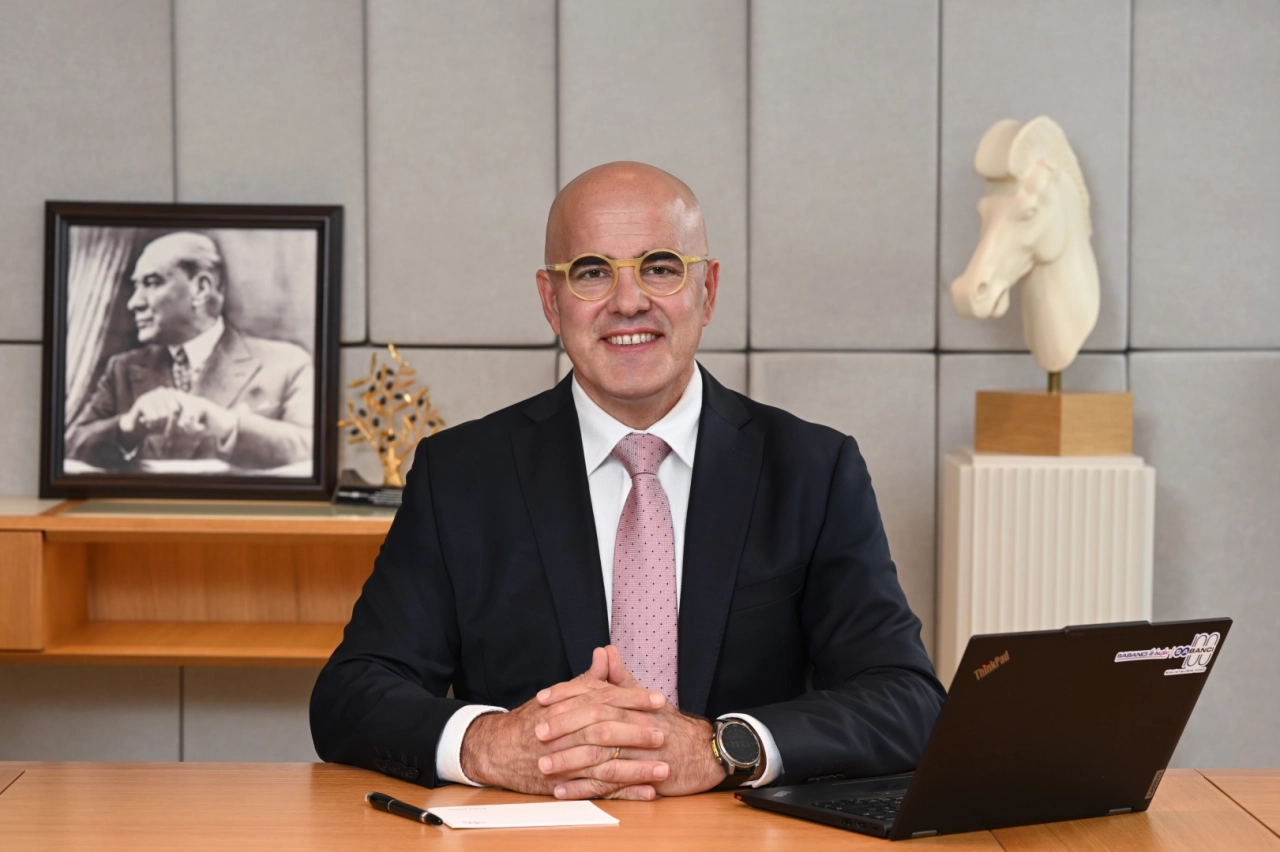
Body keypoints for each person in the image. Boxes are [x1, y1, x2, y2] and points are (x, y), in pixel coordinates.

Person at [310, 162, 945, 800]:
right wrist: (489, 744)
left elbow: (907, 699)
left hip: (736, 834)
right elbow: (351, 694)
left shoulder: (813, 469)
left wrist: (724, 747)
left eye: (660, 267)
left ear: (708, 290)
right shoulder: (459, 476)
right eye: (592, 272)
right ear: (551, 301)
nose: (628, 301)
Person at [65, 231, 313, 471]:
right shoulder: (122, 369)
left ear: (201, 288)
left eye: (152, 283)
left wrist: (229, 425)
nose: (134, 302)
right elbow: (71, 447)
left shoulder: (287, 364)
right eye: (137, 286)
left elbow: (311, 448)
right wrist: (127, 427)